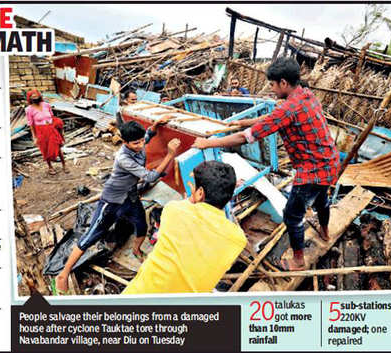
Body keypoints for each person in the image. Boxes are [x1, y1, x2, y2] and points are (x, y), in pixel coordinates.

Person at [193, 57, 340, 271]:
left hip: (312, 171)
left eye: (272, 84)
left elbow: (245, 138)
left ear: (283, 82)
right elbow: (276, 117)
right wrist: (242, 122)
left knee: (292, 216)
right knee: (321, 200)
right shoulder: (305, 95)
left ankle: (298, 261)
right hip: (329, 162)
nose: (270, 89)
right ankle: (325, 232)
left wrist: (209, 142)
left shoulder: (288, 109)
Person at [56, 120, 180, 293]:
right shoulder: (123, 158)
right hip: (112, 201)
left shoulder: (139, 140)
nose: (141, 145)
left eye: (141, 141)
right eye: (136, 143)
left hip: (130, 196)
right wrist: (170, 154)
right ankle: (64, 272)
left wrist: (155, 125)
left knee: (142, 226)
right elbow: (150, 177)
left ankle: (136, 251)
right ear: (125, 142)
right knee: (92, 235)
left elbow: (148, 135)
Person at [122, 161, 246, 294]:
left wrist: (192, 200)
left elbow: (186, 207)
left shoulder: (174, 210)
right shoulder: (238, 239)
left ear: (200, 193)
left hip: (138, 297)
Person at [25, 89, 68, 175]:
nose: (35, 97)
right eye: (33, 97)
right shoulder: (28, 109)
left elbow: (52, 117)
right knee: (45, 149)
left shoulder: (46, 105)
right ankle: (50, 167)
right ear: (30, 98)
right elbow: (31, 124)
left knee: (57, 147)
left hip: (51, 128)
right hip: (40, 131)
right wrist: (34, 137)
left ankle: (64, 165)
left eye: (36, 95)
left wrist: (60, 131)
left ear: (39, 96)